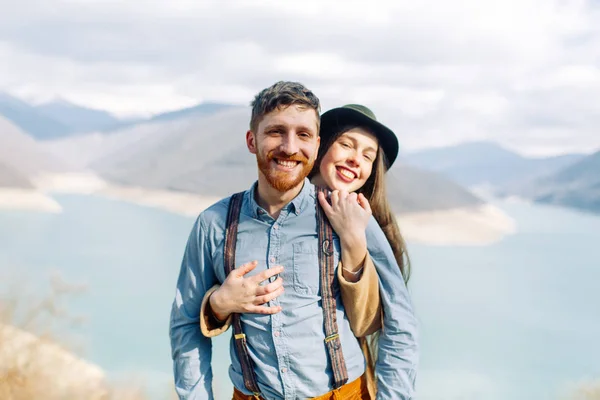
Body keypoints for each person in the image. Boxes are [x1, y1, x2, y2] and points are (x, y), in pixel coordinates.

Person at [169, 81, 418, 400]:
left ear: (315, 145)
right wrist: (218, 303)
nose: (289, 147)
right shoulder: (213, 224)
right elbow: (185, 324)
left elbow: (400, 325)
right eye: (275, 132)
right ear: (252, 140)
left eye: (302, 135)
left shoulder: (352, 217)